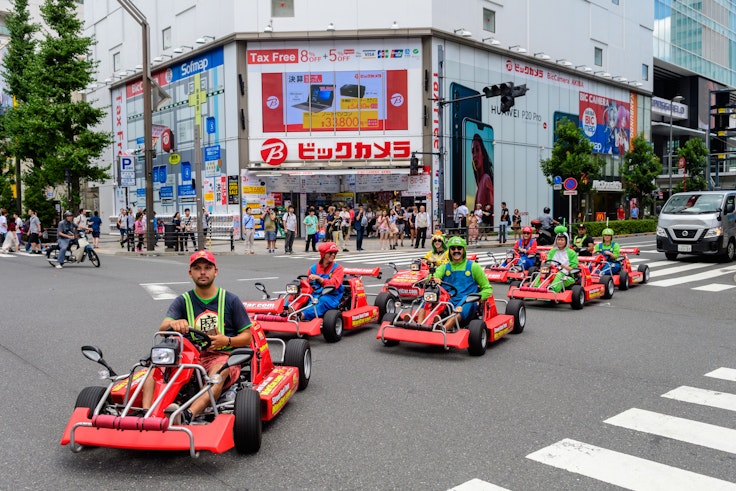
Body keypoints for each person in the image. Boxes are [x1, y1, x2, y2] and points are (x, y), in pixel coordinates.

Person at [140, 250, 253, 423]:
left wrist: (227, 340)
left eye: (207, 268)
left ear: (215, 271)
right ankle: (146, 415)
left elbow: (247, 336)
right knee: (155, 369)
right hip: (188, 356)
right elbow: (163, 327)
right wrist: (175, 324)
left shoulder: (231, 300)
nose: (202, 272)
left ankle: (187, 415)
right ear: (190, 273)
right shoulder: (182, 301)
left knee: (217, 374)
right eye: (197, 268)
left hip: (221, 356)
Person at [432, 236, 492, 331]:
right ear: (449, 251)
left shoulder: (473, 267)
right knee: (430, 296)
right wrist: (435, 279)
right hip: (449, 300)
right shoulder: (444, 267)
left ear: (463, 250)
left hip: (467, 302)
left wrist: (478, 297)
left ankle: (443, 329)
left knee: (466, 301)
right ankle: (420, 325)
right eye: (453, 248)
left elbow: (487, 289)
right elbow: (435, 275)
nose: (456, 251)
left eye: (459, 248)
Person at [301, 242, 344, 321]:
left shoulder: (338, 268)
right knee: (299, 296)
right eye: (330, 253)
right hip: (314, 294)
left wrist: (319, 279)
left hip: (332, 296)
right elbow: (308, 284)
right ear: (323, 254)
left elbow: (334, 284)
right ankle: (286, 311)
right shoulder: (313, 268)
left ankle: (303, 315)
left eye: (335, 253)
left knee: (321, 300)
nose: (333, 255)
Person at [535, 226, 578, 293]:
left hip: (566, 275)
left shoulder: (571, 253)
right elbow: (548, 263)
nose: (560, 242)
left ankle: (552, 290)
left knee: (559, 275)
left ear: (566, 241)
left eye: (562, 240)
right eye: (558, 240)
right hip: (551, 272)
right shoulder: (552, 251)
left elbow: (573, 269)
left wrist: (563, 266)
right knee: (542, 273)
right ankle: (535, 288)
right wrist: (543, 264)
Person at [470, 134, 494, 209]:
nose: (474, 155)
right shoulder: (482, 183)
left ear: (482, 154)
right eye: (473, 152)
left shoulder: (485, 179)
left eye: (477, 150)